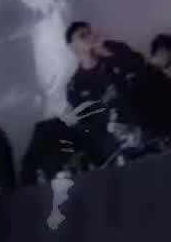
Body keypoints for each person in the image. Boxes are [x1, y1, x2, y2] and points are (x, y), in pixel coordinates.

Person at [65, 22, 157, 164]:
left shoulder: (113, 52)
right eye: (82, 36)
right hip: (114, 145)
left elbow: (139, 65)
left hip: (142, 126)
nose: (89, 37)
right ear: (72, 46)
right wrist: (108, 130)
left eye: (89, 33)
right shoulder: (75, 85)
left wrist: (106, 52)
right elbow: (85, 125)